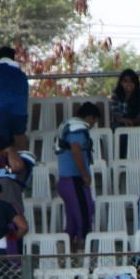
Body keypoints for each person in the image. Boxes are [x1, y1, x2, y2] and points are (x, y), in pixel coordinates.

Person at [55, 103, 100, 253]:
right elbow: (76, 150)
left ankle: (62, 257)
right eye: (94, 120)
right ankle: (83, 260)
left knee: (72, 222)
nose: (94, 124)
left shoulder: (67, 125)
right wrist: (85, 175)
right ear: (89, 117)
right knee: (85, 219)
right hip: (74, 180)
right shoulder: (78, 128)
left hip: (65, 181)